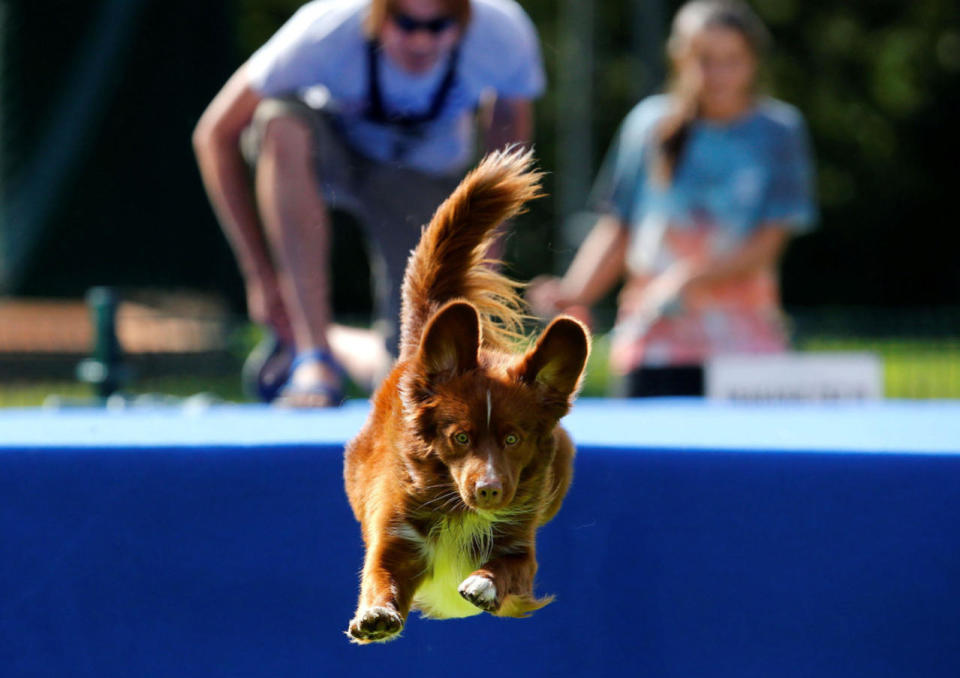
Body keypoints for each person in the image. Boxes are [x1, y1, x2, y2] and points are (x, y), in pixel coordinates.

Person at [193, 0, 544, 406]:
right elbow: (214, 135)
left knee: (418, 379)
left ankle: (331, 339)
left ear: (465, 18)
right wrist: (261, 276)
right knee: (279, 121)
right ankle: (312, 353)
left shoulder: (502, 30)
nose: (420, 39)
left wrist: (489, 243)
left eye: (439, 26)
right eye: (405, 22)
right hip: (333, 156)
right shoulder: (326, 29)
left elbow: (509, 124)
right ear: (377, 12)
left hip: (422, 177)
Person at [528, 0, 817, 397]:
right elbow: (620, 228)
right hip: (653, 344)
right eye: (704, 59)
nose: (716, 74)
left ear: (752, 61)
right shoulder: (648, 124)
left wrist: (688, 279)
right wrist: (574, 293)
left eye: (731, 60)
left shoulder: (779, 132)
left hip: (746, 345)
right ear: (680, 58)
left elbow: (769, 242)